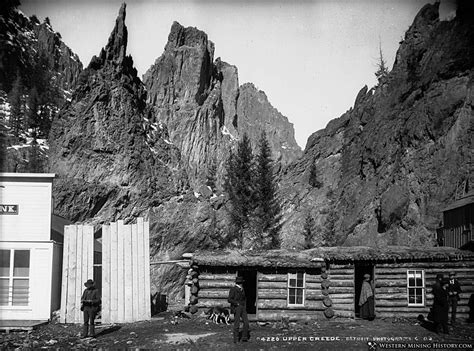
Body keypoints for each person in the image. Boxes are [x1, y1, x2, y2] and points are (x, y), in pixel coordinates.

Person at [228, 276, 249, 343]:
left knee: (246, 322)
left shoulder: (242, 289)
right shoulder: (233, 289)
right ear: (240, 283)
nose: (242, 284)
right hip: (237, 308)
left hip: (243, 307)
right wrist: (236, 303)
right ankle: (236, 339)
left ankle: (244, 337)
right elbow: (229, 299)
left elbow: (244, 299)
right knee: (237, 324)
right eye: (242, 282)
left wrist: (244, 307)